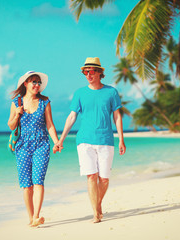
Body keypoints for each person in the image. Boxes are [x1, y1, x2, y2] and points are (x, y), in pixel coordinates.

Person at [56, 57, 126, 223]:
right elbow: (72, 116)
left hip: (106, 139)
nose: (88, 74)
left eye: (91, 71)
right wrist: (61, 139)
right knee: (91, 176)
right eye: (85, 72)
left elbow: (117, 116)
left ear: (100, 73)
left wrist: (121, 139)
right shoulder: (80, 93)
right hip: (84, 140)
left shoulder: (111, 92)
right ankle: (96, 212)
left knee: (104, 178)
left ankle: (98, 203)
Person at [7, 71, 60, 227]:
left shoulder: (45, 102)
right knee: (26, 185)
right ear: (25, 84)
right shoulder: (16, 103)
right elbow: (11, 125)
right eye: (34, 82)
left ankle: (36, 216)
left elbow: (49, 124)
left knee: (38, 181)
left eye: (39, 82)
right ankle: (31, 218)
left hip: (41, 144)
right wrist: (17, 114)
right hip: (22, 146)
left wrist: (56, 141)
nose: (37, 85)